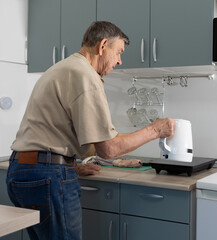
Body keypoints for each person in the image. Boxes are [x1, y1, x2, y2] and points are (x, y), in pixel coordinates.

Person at [6, 21, 175, 240]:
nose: (119, 61)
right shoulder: (86, 76)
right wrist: (155, 130)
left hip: (22, 171)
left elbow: (54, 131)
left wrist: (70, 166)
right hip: (48, 177)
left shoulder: (61, 68)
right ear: (103, 45)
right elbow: (109, 149)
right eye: (119, 52)